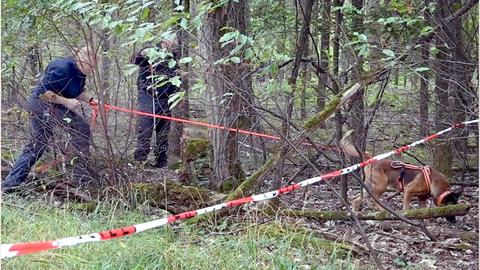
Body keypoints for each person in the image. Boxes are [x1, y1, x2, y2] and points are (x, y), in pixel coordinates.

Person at [2, 46, 99, 192]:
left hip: (57, 109)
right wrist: (67, 102)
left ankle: (82, 179)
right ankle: (10, 185)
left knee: (81, 129)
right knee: (38, 144)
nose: (92, 69)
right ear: (82, 59)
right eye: (91, 65)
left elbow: (77, 92)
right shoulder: (62, 67)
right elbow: (43, 93)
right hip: (42, 107)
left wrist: (92, 100)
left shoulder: (80, 73)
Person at [132, 37, 183, 168]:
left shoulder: (174, 58)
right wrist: (143, 52)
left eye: (176, 42)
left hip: (166, 97)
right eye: (172, 41)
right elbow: (135, 59)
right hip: (148, 95)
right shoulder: (152, 52)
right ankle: (140, 160)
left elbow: (175, 77)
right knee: (146, 126)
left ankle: (161, 160)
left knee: (164, 129)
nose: (175, 44)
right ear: (164, 41)